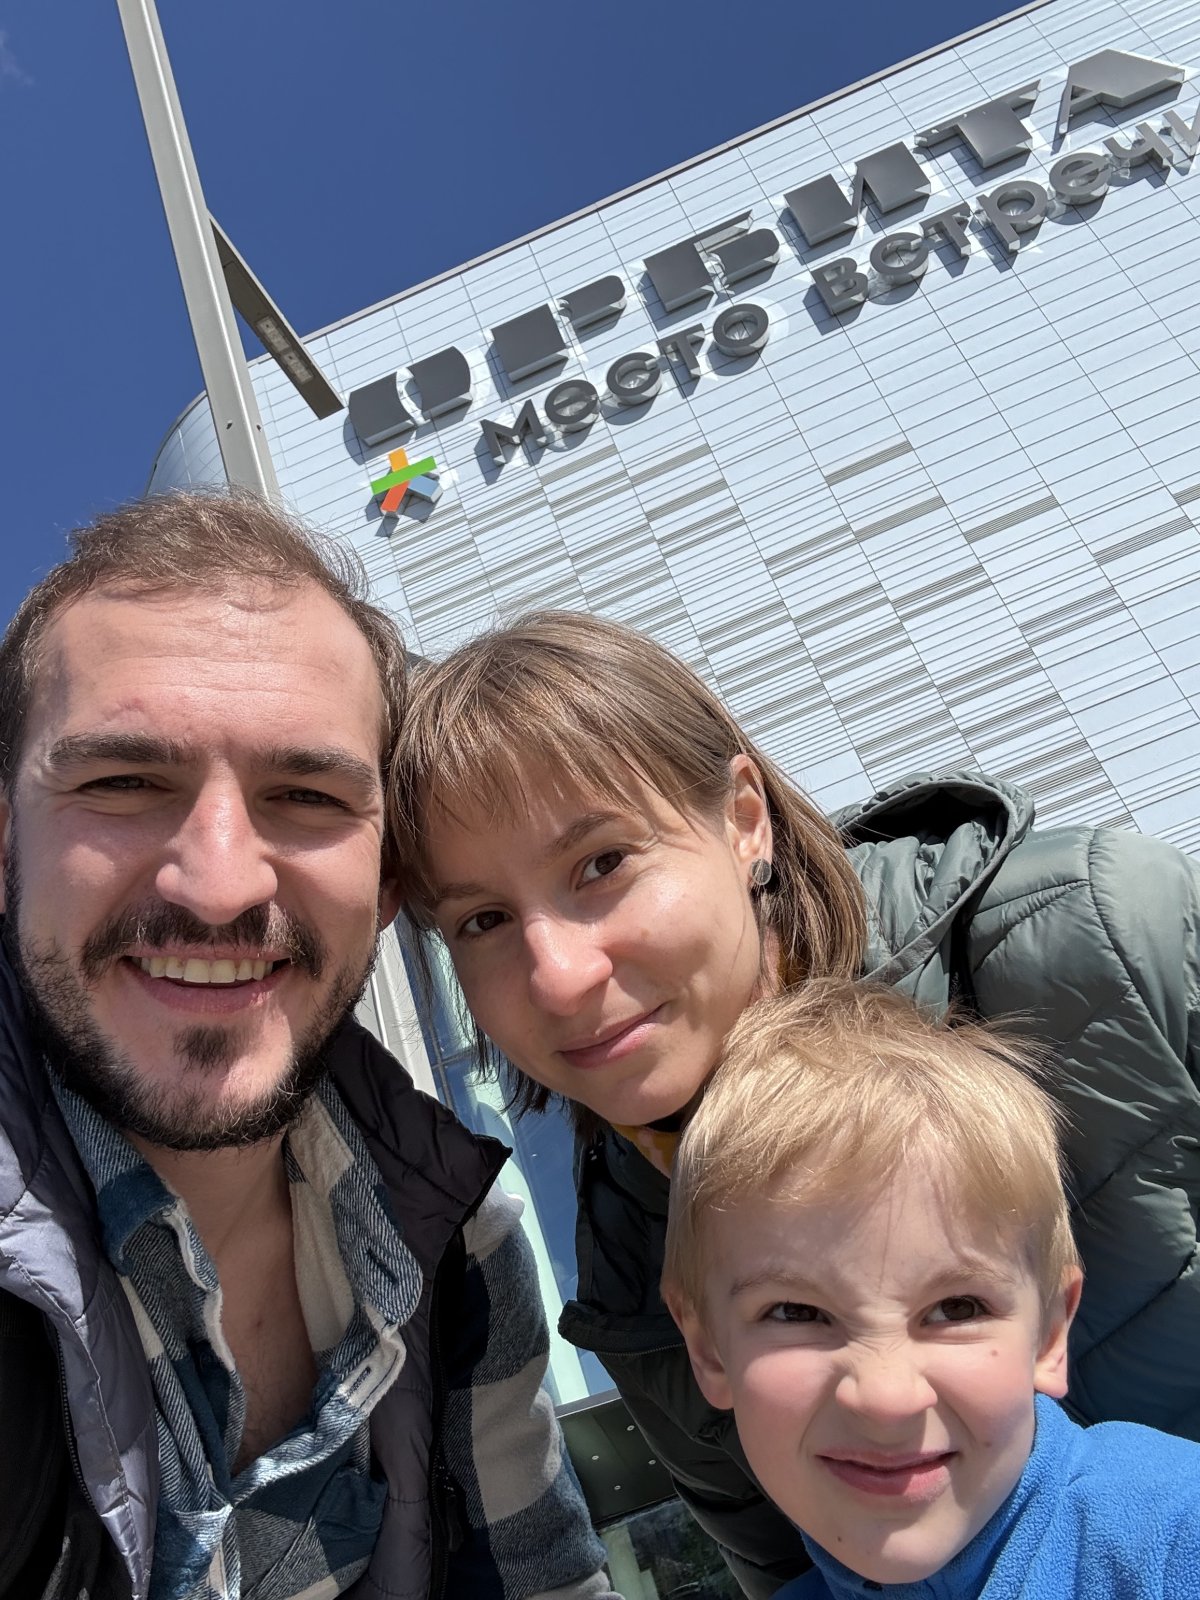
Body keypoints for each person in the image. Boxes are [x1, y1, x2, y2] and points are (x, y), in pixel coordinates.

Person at [390, 608, 1200, 1599]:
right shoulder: (628, 1267)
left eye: (602, 863)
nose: (557, 977)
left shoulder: (1100, 944)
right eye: (481, 920)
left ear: (744, 819)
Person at [0, 496, 623, 1600]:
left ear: (387, 886)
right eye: (123, 783)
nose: (220, 884)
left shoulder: (457, 1245)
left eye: (306, 794)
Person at [661, 982, 1200, 1599]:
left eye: (956, 1308)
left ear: (1051, 1334)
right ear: (707, 1349)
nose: (886, 1399)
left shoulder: (1176, 1535)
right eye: (796, 1311)